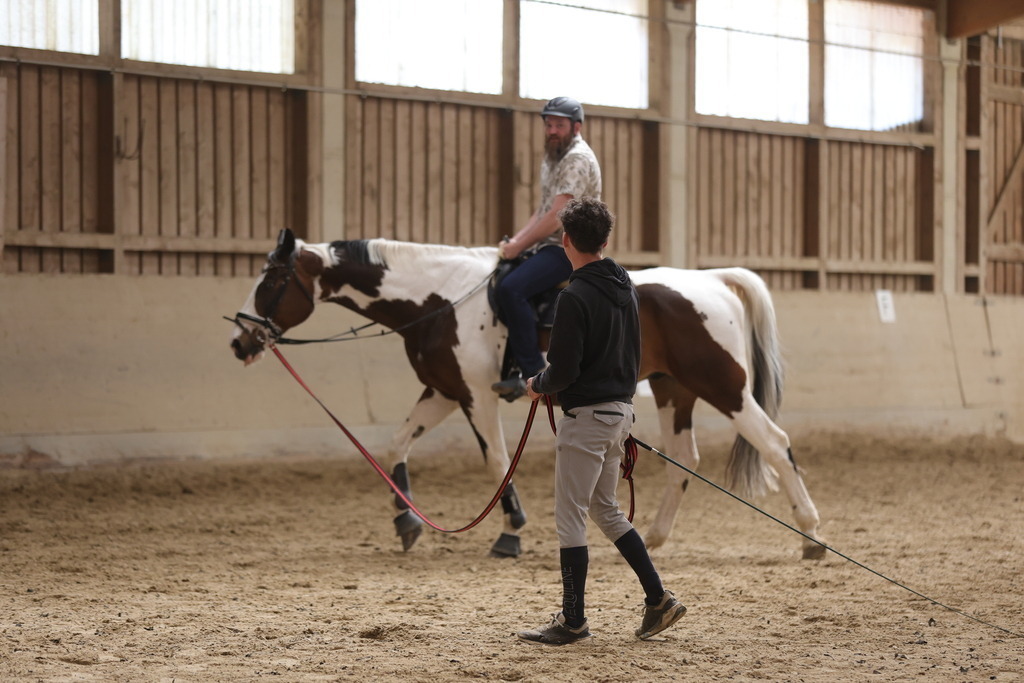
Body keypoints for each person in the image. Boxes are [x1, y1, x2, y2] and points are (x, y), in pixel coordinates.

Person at [516, 198, 687, 645]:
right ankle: (659, 600)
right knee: (604, 510)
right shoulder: (625, 285)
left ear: (565, 240)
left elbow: (565, 370)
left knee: (570, 515)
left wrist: (537, 383)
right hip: (620, 413)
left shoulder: (573, 296)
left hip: (588, 417)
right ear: (606, 241)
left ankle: (573, 621)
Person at [491, 96, 602, 401]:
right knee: (504, 273)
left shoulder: (576, 160)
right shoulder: (553, 157)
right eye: (548, 124)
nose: (552, 130)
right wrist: (514, 243)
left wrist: (518, 247)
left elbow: (556, 218)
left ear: (575, 127)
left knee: (511, 289)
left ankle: (532, 376)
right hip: (550, 244)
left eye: (559, 125)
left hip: (571, 246)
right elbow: (541, 211)